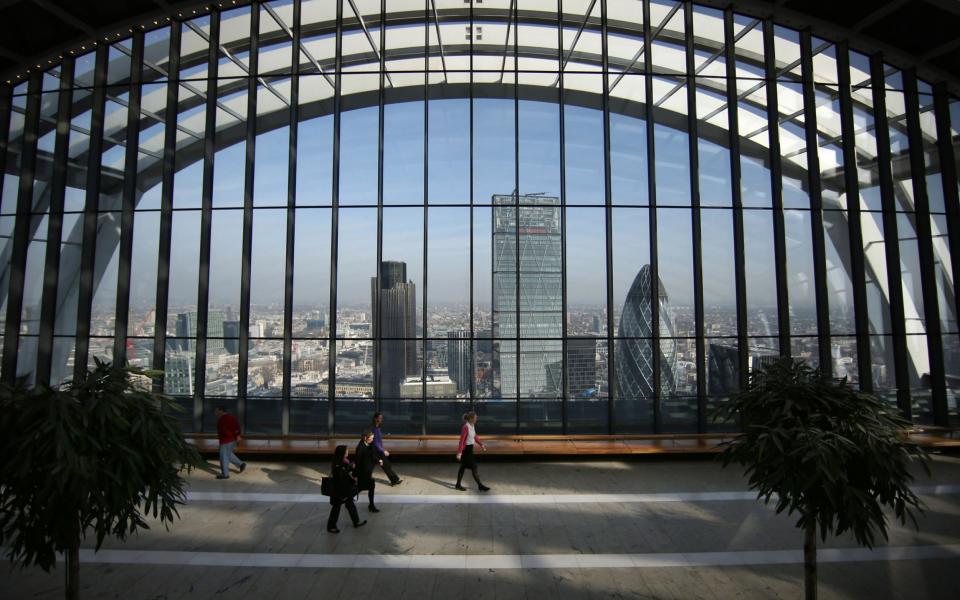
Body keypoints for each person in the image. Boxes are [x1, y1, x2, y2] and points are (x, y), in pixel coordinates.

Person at [327, 445, 367, 533]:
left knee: (350, 504)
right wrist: (349, 468)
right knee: (336, 508)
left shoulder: (343, 462)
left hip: (345, 489)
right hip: (340, 491)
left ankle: (356, 521)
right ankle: (331, 526)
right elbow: (341, 479)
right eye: (346, 451)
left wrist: (350, 467)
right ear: (342, 453)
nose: (348, 452)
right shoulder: (338, 465)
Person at [455, 411, 490, 492]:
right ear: (471, 419)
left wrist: (481, 445)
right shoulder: (465, 427)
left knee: (463, 467)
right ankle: (480, 485)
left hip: (470, 449)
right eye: (475, 418)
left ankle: (457, 485)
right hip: (465, 450)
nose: (476, 419)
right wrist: (459, 453)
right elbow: (462, 441)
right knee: (474, 466)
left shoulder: (472, 425)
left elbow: (475, 436)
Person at [214, 406, 246, 480]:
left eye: (216, 411)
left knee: (224, 457)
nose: (215, 413)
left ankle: (225, 474)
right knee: (228, 454)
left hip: (225, 440)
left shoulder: (222, 419)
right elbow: (237, 427)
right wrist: (237, 436)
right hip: (232, 440)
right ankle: (241, 464)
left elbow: (223, 430)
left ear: (221, 410)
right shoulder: (231, 417)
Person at [371, 412, 402, 485]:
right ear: (375, 418)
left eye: (381, 418)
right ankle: (394, 480)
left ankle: (394, 479)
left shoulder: (377, 427)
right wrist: (383, 450)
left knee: (386, 465)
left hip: (378, 449)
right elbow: (376, 442)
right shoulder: (374, 428)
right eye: (379, 418)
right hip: (377, 450)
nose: (381, 419)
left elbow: (378, 441)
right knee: (386, 465)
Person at [355, 430, 381, 513]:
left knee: (366, 487)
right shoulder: (360, 448)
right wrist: (356, 474)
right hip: (363, 472)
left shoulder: (370, 444)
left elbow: (373, 454)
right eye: (371, 438)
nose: (372, 440)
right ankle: (371, 506)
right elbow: (358, 462)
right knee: (365, 487)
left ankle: (371, 505)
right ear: (365, 438)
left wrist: (378, 460)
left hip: (368, 471)